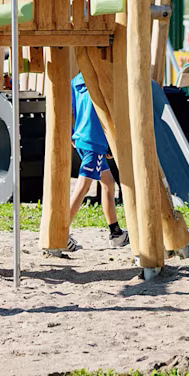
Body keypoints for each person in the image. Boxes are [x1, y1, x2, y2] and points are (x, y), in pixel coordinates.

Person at [63, 72, 128, 248]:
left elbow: (70, 110)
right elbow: (107, 113)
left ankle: (116, 233)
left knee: (108, 183)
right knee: (83, 187)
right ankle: (60, 233)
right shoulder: (102, 80)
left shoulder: (75, 81)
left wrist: (72, 135)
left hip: (82, 138)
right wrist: (109, 142)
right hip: (95, 141)